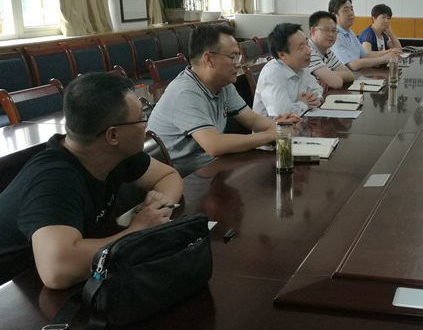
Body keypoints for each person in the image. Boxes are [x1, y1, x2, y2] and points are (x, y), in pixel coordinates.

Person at [0, 73, 184, 289]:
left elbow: (168, 176)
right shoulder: (55, 179)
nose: (145, 124)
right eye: (141, 117)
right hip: (13, 286)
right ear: (112, 135)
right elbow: (57, 271)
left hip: (50, 277)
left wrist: (158, 208)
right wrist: (137, 230)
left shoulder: (114, 152)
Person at [147, 24, 298, 177]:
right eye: (233, 57)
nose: (238, 63)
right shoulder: (185, 92)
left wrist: (282, 127)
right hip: (180, 178)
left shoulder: (223, 85)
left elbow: (253, 120)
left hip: (208, 168)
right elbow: (214, 145)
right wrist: (270, 135)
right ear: (208, 59)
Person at [253, 23, 323, 117]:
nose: (308, 51)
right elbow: (282, 114)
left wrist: (314, 98)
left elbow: (317, 89)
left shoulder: (301, 65)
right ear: (282, 55)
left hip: (301, 121)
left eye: (307, 44)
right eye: (301, 47)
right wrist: (304, 104)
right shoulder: (273, 73)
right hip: (274, 126)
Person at [328, 0, 401, 70]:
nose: (351, 13)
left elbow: (365, 55)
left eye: (351, 9)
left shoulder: (349, 32)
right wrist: (384, 58)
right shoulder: (335, 35)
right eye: (345, 10)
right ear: (334, 15)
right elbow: (352, 64)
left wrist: (389, 52)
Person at [308, 10, 355, 89]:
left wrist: (328, 75)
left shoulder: (327, 51)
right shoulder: (308, 52)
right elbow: (336, 82)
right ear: (313, 31)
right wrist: (329, 76)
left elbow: (350, 75)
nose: (331, 35)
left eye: (334, 30)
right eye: (326, 30)